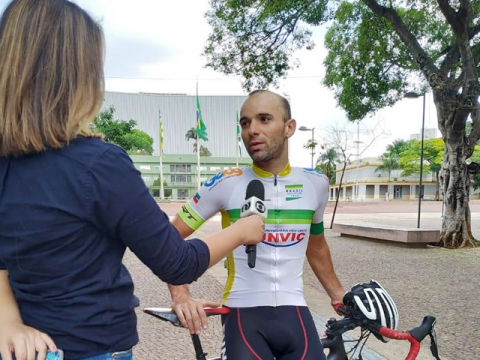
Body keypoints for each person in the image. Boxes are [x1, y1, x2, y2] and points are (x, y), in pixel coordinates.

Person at [0, 1, 264, 360]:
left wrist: (8, 320)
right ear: (79, 74)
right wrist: (245, 230)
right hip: (92, 348)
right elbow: (178, 262)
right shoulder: (98, 165)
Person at [170, 90, 346, 359]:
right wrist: (181, 296)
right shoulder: (226, 183)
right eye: (245, 123)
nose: (252, 130)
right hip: (242, 313)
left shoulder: (316, 184)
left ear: (289, 127)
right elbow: (168, 238)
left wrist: (338, 296)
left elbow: (316, 246)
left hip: (296, 311)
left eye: (264, 119)